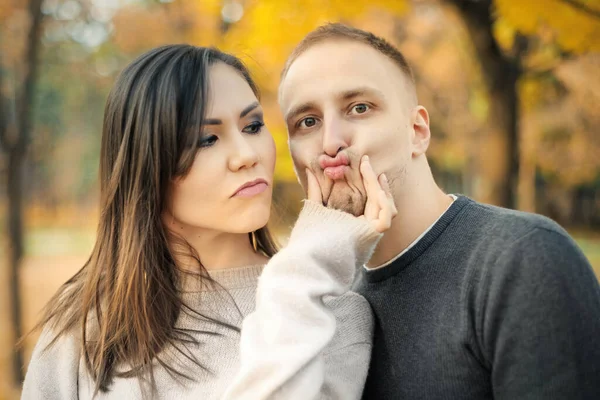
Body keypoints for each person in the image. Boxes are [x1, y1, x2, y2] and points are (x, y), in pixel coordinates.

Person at [21, 44, 396, 399]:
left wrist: (306, 266)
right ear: (147, 165)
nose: (247, 155)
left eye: (252, 126)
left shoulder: (330, 310)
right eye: (207, 139)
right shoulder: (88, 324)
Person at [279, 23, 600, 399]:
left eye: (359, 108)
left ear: (417, 131)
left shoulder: (522, 259)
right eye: (308, 122)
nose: (330, 143)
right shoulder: (325, 301)